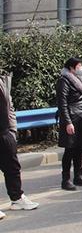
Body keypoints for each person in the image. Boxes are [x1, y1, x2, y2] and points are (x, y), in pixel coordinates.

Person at [0, 72, 38, 220]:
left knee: (13, 167)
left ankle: (17, 198)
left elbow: (9, 106)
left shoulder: (2, 81)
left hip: (5, 132)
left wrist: (12, 130)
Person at [56, 57, 82, 190]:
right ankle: (65, 179)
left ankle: (78, 176)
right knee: (70, 149)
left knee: (79, 148)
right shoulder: (64, 81)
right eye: (78, 66)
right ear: (71, 68)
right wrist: (68, 122)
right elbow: (62, 103)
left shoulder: (81, 80)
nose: (81, 68)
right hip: (72, 118)